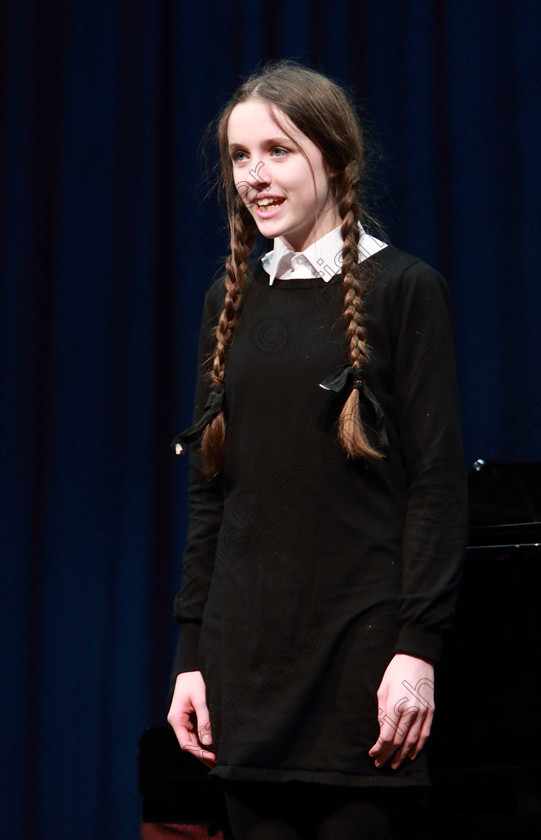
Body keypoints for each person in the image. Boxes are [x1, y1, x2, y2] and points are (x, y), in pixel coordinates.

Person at [167, 61, 468, 840]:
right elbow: (212, 496)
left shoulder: (405, 288)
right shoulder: (229, 297)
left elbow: (436, 483)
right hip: (248, 667)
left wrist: (417, 650)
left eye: (278, 151)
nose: (254, 177)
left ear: (333, 158)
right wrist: (191, 656)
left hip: (360, 665)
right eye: (239, 157)